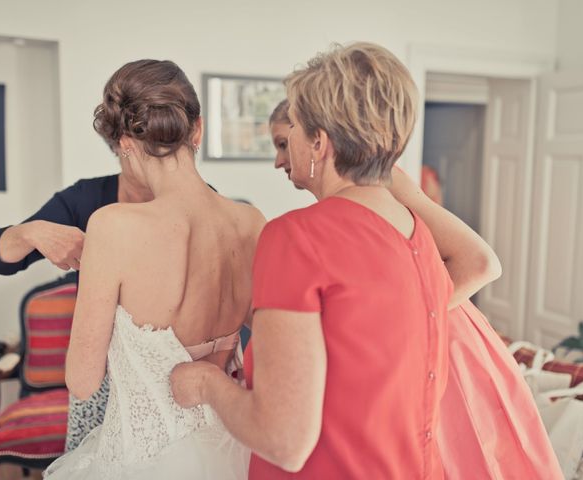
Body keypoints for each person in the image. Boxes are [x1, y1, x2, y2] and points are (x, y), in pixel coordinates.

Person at [172, 42, 455, 479]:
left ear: (319, 143)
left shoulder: (298, 237)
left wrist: (206, 384)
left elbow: (283, 440)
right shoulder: (419, 234)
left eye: (297, 128)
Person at [265, 98, 562, 476]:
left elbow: (481, 263)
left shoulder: (384, 181)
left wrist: (403, 325)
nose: (278, 160)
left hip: (443, 342)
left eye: (281, 143)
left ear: (314, 138)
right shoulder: (323, 214)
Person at [43, 59, 262, 479]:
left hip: (145, 458)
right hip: (235, 448)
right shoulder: (251, 221)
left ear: (124, 141)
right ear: (196, 129)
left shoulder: (113, 226)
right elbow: (266, 335)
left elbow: (83, 381)